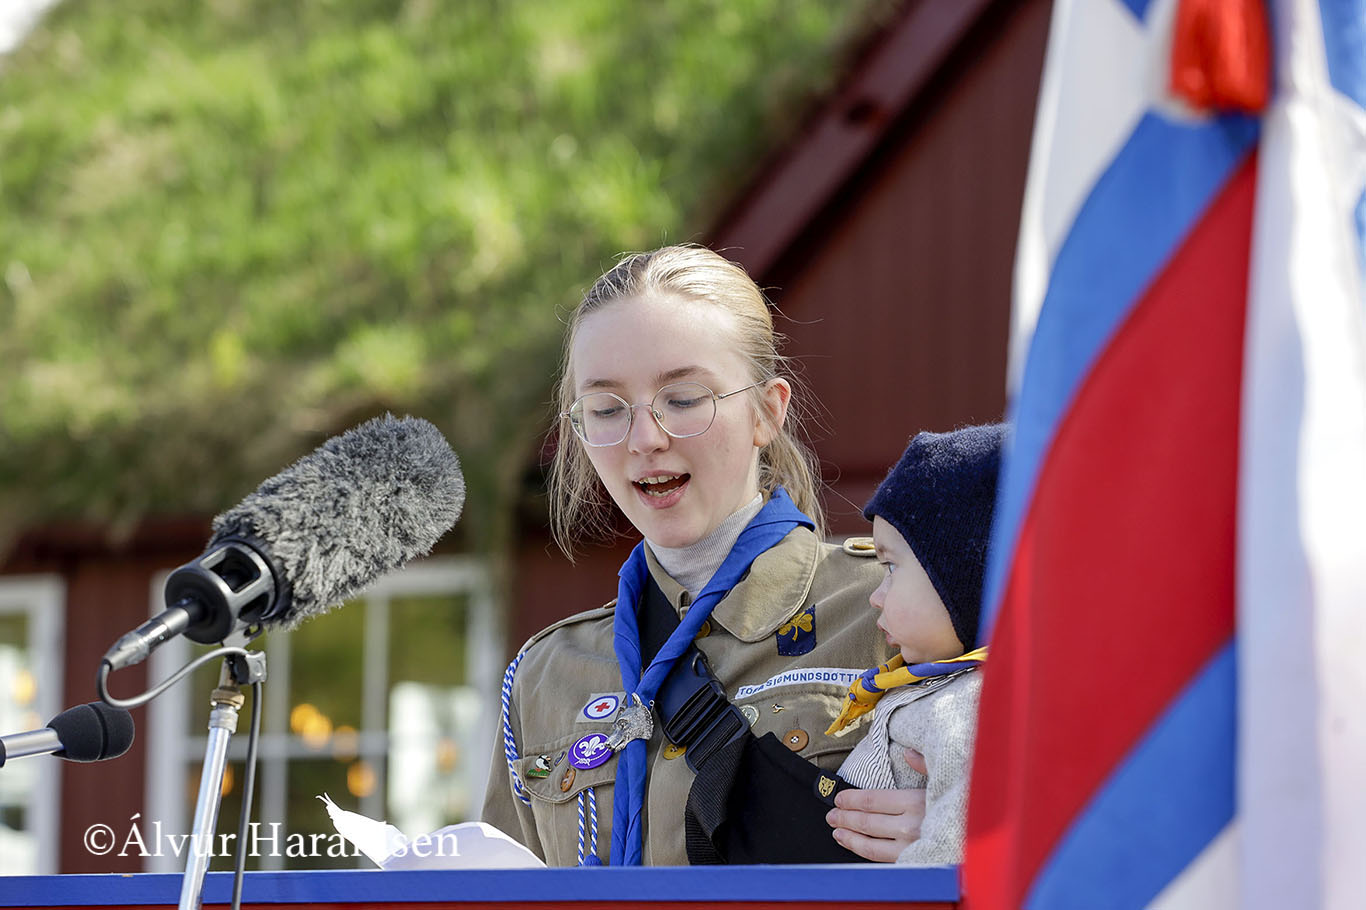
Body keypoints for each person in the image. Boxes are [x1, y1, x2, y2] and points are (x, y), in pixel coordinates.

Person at [481, 244, 922, 865]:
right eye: (606, 410)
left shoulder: (892, 612)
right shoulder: (546, 675)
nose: (645, 439)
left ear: (767, 411)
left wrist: (960, 833)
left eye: (684, 399)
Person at [826, 424, 1004, 864]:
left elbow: (949, 851)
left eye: (890, 567)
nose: (876, 596)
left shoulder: (967, 707)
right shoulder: (939, 686)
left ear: (963, 578)